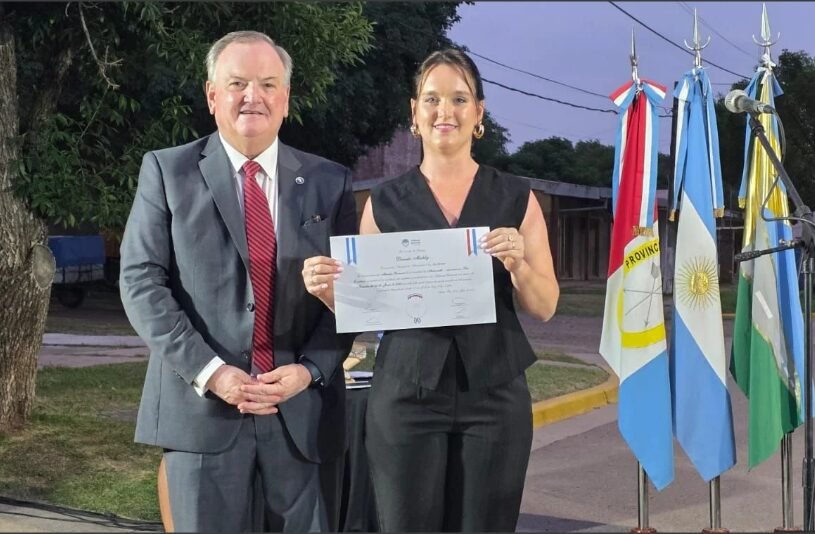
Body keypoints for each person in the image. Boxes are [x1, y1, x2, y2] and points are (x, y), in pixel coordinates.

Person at [302, 48, 560, 532]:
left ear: (479, 113)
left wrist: (518, 263)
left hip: (495, 396)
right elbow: (369, 308)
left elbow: (544, 306)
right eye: (433, 99)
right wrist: (328, 293)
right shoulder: (384, 202)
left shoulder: (515, 197)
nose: (446, 111)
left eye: (460, 99)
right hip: (405, 396)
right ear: (414, 113)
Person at [120, 30, 356, 533]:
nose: (254, 96)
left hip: (302, 417)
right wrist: (213, 372)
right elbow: (142, 281)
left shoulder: (330, 182)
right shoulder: (166, 171)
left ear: (286, 100)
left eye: (269, 84)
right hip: (201, 410)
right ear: (212, 96)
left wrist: (310, 370)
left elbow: (353, 295)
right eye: (238, 83)